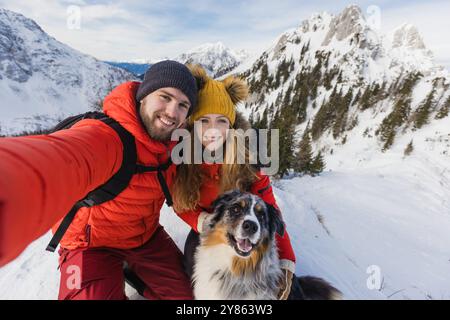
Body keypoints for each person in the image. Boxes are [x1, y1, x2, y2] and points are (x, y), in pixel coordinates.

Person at [0, 60, 198, 300]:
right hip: (89, 245)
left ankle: (133, 275)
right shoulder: (108, 139)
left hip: (144, 238)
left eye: (182, 105)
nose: (171, 112)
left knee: (191, 299)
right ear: (143, 96)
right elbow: (57, 160)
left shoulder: (175, 145)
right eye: (165, 97)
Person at [171, 65, 296, 300]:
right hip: (207, 227)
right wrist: (201, 221)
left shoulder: (249, 161)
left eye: (221, 121)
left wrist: (287, 261)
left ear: (231, 126)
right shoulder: (181, 159)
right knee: (192, 265)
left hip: (246, 223)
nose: (213, 131)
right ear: (192, 124)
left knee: (258, 274)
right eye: (204, 121)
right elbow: (180, 204)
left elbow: (270, 209)